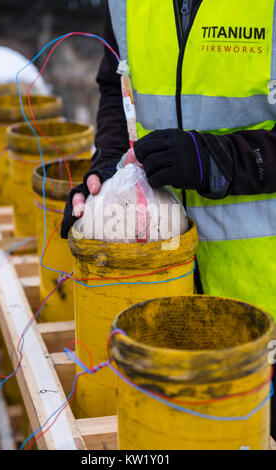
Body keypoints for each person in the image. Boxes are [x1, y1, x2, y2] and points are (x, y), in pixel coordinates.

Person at [61, 0, 276, 440]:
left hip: (263, 307)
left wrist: (215, 160)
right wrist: (107, 169)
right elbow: (116, 88)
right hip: (161, 296)